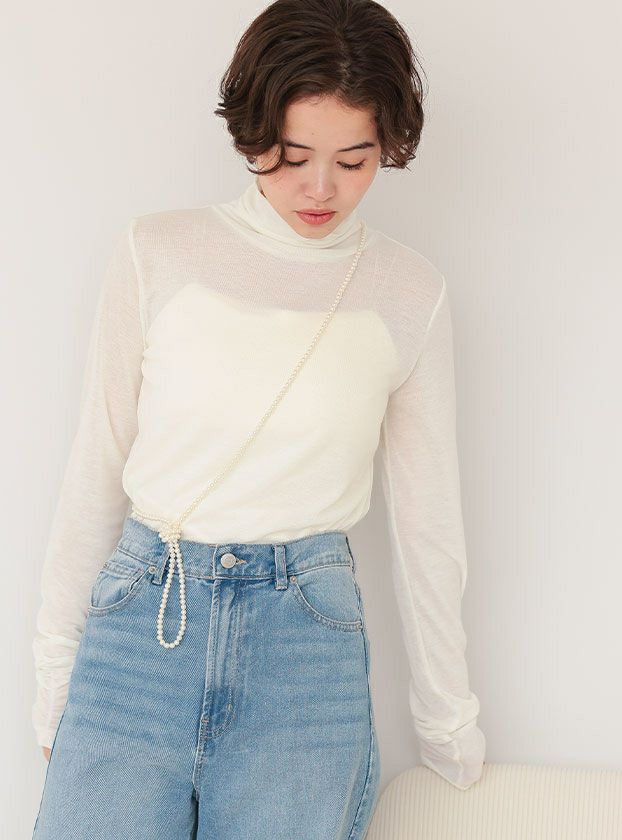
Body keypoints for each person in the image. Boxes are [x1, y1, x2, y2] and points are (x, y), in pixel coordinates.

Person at [31, 0, 486, 836]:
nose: (321, 189)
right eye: (293, 155)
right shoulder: (157, 252)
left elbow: (429, 526)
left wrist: (447, 716)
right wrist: (55, 672)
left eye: (354, 160)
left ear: (387, 145)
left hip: (305, 648)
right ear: (252, 131)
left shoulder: (409, 292)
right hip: (141, 626)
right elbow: (97, 465)